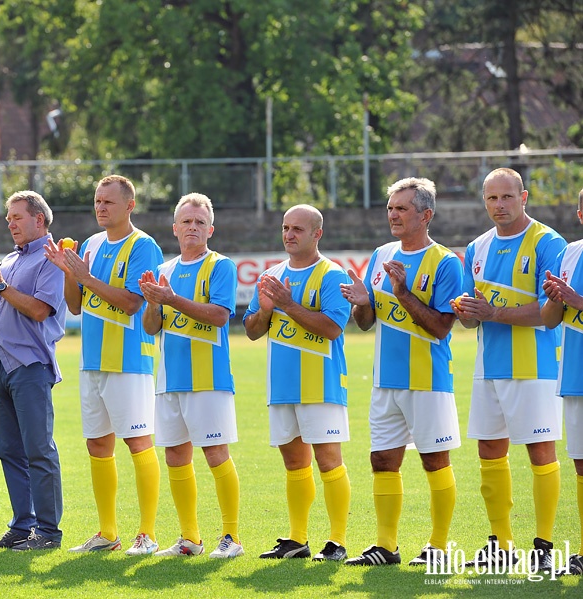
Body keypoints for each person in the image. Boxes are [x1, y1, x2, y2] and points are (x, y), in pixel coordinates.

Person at [340, 178, 463, 567]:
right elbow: (366, 321)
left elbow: (442, 327)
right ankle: (385, 546)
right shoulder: (381, 254)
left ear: (425, 215)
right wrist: (362, 303)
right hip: (384, 381)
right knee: (382, 461)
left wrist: (404, 292)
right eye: (390, 207)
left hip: (428, 381)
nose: (393, 214)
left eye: (402, 208)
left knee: (434, 462)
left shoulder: (445, 262)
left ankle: (438, 547)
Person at [45, 174, 164, 554]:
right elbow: (76, 305)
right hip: (92, 361)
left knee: (138, 442)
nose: (100, 207)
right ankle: (108, 532)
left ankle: (146, 533)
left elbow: (132, 302)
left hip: (130, 360)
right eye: (97, 201)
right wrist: (69, 273)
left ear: (129, 206)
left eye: (108, 202)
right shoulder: (92, 244)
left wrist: (85, 275)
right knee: (97, 444)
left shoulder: (143, 245)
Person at [455, 168, 566, 572]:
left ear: (524, 197)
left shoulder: (547, 241)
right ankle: (500, 543)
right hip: (489, 367)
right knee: (489, 449)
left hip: (534, 366)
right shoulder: (477, 247)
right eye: (491, 199)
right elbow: (472, 316)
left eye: (506, 197)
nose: (499, 206)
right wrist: (466, 313)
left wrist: (493, 311)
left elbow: (550, 310)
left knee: (540, 451)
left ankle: (545, 543)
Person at [243, 204, 352, 562]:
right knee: (294, 463)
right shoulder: (272, 275)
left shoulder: (332, 275)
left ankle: (337, 541)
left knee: (328, 461)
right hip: (283, 386)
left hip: (321, 385)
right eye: (286, 227)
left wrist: (288, 304)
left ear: (317, 234)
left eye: (298, 229)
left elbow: (333, 328)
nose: (289, 234)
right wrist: (265, 311)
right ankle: (297, 539)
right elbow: (253, 331)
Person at [140, 193, 243, 559]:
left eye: (200, 222)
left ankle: (231, 537)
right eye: (186, 221)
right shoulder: (164, 271)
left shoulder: (221, 266)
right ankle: (190, 539)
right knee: (175, 457)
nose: (193, 228)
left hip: (209, 379)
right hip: (169, 379)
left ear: (210, 229)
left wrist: (170, 300)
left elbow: (219, 316)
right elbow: (151, 327)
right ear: (175, 228)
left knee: (216, 454)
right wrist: (154, 302)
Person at [0, 191, 66, 551]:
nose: (10, 223)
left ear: (39, 220)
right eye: (8, 218)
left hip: (31, 367)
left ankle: (49, 532)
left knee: (39, 450)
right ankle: (22, 526)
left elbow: (41, 310)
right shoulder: (8, 260)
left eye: (17, 217)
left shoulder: (51, 260)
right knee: (9, 451)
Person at [541, 187, 583, 577]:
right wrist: (555, 297)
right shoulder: (570, 252)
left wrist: (578, 299)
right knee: (582, 465)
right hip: (575, 376)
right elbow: (552, 319)